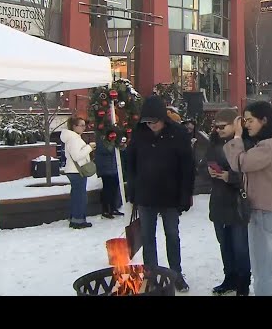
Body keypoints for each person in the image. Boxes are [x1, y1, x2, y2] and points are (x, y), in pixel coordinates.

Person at [223, 101, 272, 296]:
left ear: (264, 119)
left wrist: (236, 136)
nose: (247, 124)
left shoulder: (268, 147)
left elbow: (239, 162)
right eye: (244, 120)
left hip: (264, 214)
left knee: (262, 273)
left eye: (250, 120)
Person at [126, 95, 194, 293]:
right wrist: (133, 190)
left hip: (171, 195)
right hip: (146, 195)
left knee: (172, 235)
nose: (151, 125)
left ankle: (176, 274)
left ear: (162, 118)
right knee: (148, 237)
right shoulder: (139, 134)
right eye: (146, 122)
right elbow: (130, 164)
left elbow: (187, 167)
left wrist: (185, 195)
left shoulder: (179, 133)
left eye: (154, 121)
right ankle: (152, 275)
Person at [205, 109, 252, 296]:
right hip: (218, 201)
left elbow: (249, 174)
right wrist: (209, 172)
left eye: (222, 127)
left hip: (237, 204)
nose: (218, 130)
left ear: (235, 125)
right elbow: (203, 164)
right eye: (216, 127)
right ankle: (229, 278)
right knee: (224, 245)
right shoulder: (213, 142)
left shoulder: (246, 144)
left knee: (240, 247)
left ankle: (243, 283)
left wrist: (230, 176)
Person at [60, 117, 95, 229]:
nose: (84, 128)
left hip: (73, 170)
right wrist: (89, 147)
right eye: (81, 125)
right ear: (74, 126)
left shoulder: (71, 137)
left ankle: (75, 217)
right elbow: (77, 155)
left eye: (84, 125)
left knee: (76, 195)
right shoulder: (74, 138)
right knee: (80, 196)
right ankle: (78, 220)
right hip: (77, 171)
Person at [94, 137, 126, 219]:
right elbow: (109, 150)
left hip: (113, 168)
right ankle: (105, 210)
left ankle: (113, 208)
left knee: (114, 188)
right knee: (107, 189)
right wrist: (115, 143)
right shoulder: (101, 140)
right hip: (106, 169)